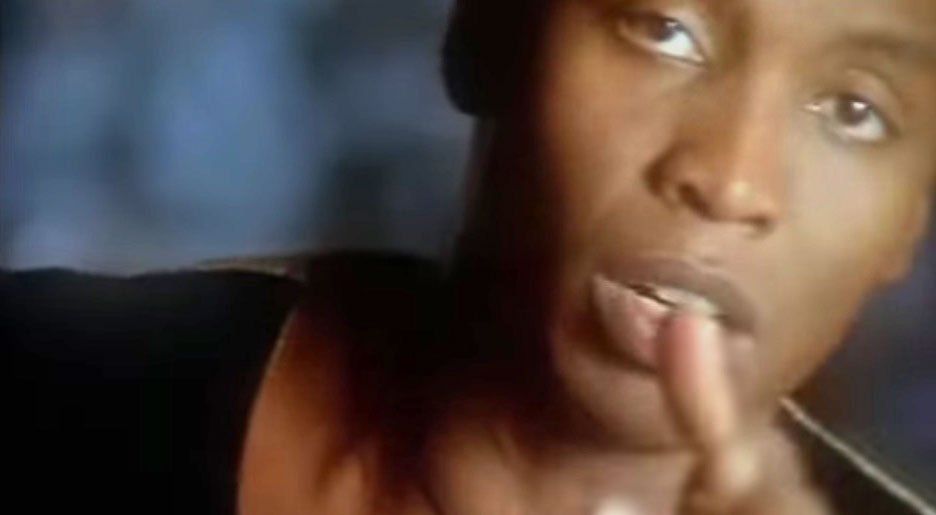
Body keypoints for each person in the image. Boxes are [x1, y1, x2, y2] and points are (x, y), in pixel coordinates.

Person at [4, 0, 936, 513]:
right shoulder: (59, 381)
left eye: (856, 112)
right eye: (664, 30)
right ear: (486, 37)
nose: (731, 178)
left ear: (912, 221)